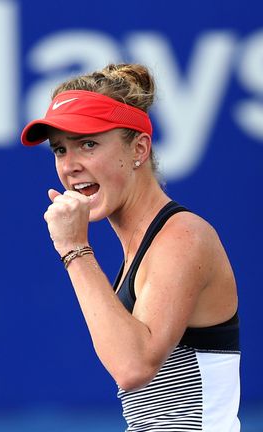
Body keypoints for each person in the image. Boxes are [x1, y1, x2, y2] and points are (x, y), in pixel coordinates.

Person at [21, 63, 241, 431]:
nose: (70, 166)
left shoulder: (182, 237)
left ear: (139, 147)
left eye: (88, 144)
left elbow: (132, 367)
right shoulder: (144, 247)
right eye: (60, 150)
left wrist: (74, 250)